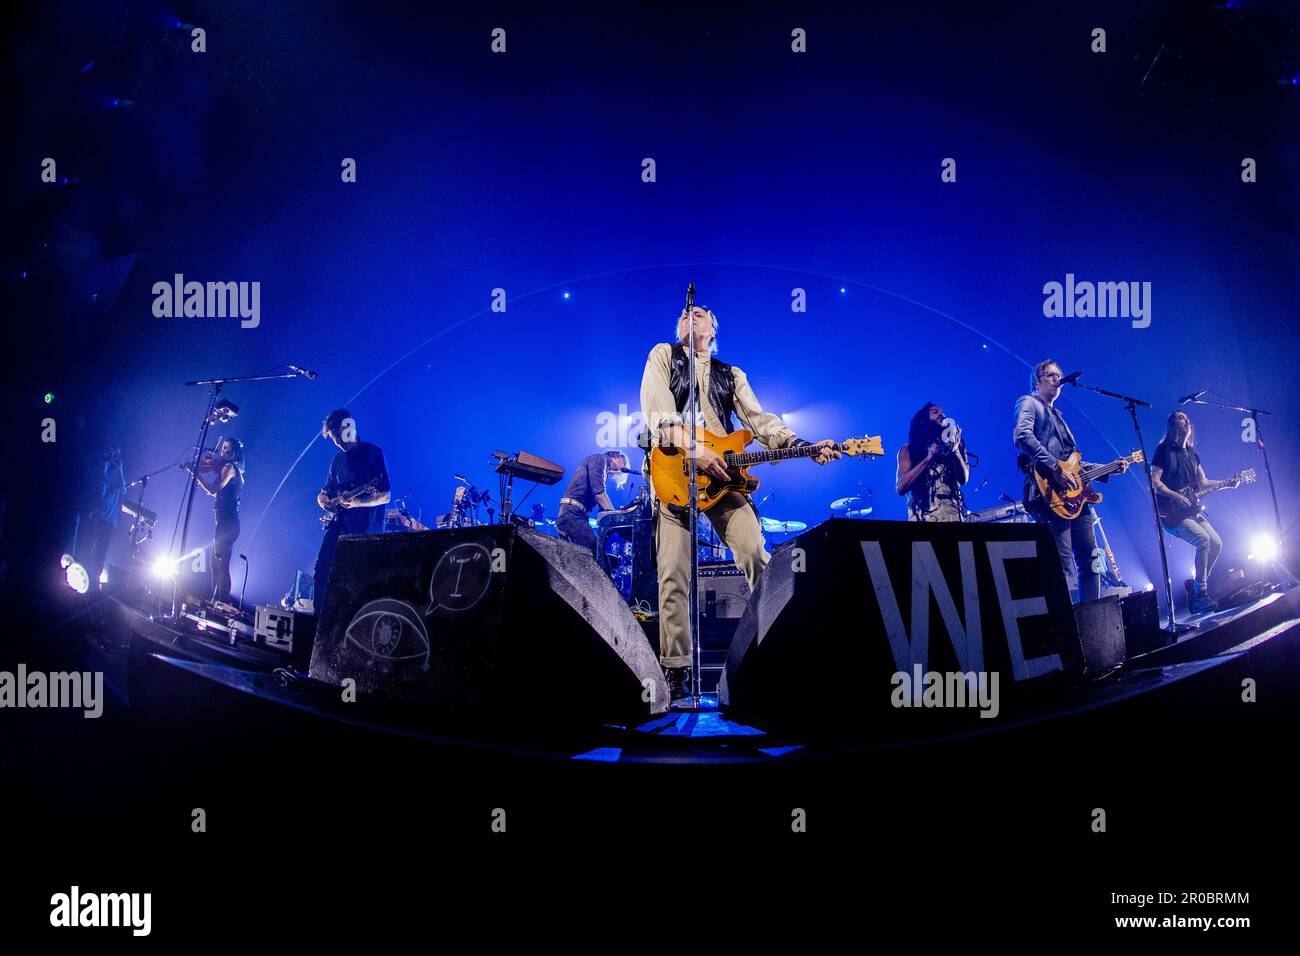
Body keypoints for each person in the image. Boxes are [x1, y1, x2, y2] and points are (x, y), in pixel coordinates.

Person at [640, 304, 840, 702]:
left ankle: (775, 646)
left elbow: (761, 422)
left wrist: (800, 446)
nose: (688, 315)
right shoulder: (663, 355)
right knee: (672, 573)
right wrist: (693, 449)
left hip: (723, 475)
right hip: (674, 473)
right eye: (683, 313)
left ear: (713, 330)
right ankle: (676, 670)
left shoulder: (731, 374)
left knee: (755, 554)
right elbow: (658, 414)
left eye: (698, 313)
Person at [1013, 359, 1128, 604]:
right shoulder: (1029, 402)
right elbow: (1022, 435)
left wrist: (1109, 469)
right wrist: (1054, 469)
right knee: (1064, 566)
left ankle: (1092, 619)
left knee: (1092, 560)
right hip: (1050, 493)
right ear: (1037, 380)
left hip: (1076, 496)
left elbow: (1073, 464)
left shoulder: (1059, 416)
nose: (1057, 380)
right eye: (1051, 375)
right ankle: (1066, 629)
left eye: (1059, 375)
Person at [1151, 409, 1236, 614]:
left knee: (1216, 542)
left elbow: (1203, 483)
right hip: (1171, 514)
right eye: (1181, 418)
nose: (1186, 420)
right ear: (1173, 425)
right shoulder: (1163, 450)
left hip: (1191, 510)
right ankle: (1201, 595)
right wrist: (1176, 496)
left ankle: (1197, 588)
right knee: (1203, 540)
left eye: (1187, 418)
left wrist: (1227, 483)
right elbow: (1155, 482)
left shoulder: (1191, 454)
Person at [313, 409, 391, 611]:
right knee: (322, 570)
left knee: (356, 580)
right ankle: (318, 621)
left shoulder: (372, 453)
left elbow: (385, 495)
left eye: (337, 435)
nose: (336, 441)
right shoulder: (337, 460)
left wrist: (358, 503)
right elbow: (326, 491)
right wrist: (322, 500)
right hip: (338, 525)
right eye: (332, 437)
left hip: (364, 530)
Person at [191, 437, 244, 604]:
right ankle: (215, 603)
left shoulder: (230, 468)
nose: (223, 451)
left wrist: (196, 475)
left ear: (235, 452)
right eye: (223, 447)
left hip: (227, 523)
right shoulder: (228, 467)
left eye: (227, 448)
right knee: (215, 565)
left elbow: (214, 489)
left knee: (221, 567)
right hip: (225, 522)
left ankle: (222, 604)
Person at [896, 402, 970, 521]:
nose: (941, 415)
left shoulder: (957, 444)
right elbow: (901, 487)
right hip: (922, 519)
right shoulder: (908, 451)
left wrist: (955, 451)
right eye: (935, 412)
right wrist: (927, 459)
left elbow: (964, 479)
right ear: (923, 421)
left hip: (953, 517)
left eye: (943, 413)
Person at [557, 451, 629, 555]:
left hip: (572, 514)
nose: (624, 467)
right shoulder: (599, 459)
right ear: (616, 455)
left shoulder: (603, 468)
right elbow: (599, 495)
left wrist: (613, 513)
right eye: (624, 463)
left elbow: (602, 506)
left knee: (577, 561)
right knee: (595, 555)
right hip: (572, 515)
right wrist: (616, 516)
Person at [85, 446, 126, 590]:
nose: (115, 459)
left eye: (117, 456)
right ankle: (86, 575)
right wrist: (106, 467)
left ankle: (94, 582)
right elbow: (101, 492)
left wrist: (120, 468)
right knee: (90, 548)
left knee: (101, 553)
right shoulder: (104, 472)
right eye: (113, 455)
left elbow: (124, 489)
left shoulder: (117, 475)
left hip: (109, 523)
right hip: (98, 518)